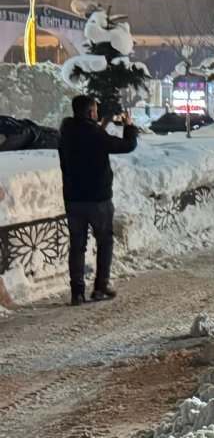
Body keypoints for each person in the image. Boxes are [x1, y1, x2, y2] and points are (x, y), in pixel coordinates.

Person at [58, 95, 138, 305]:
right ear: (90, 112)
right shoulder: (96, 134)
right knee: (104, 241)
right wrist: (129, 126)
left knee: (77, 245)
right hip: (98, 198)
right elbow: (127, 145)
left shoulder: (66, 133)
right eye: (95, 109)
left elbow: (63, 165)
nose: (97, 112)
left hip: (74, 198)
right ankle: (100, 288)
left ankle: (77, 292)